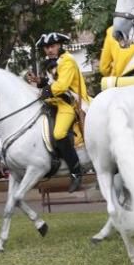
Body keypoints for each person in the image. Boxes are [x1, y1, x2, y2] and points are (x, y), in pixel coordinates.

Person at [36, 32, 90, 193]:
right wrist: (41, 82)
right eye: (46, 47)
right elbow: (52, 83)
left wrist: (45, 90)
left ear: (59, 45)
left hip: (69, 103)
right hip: (54, 102)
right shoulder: (50, 63)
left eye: (52, 46)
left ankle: (75, 172)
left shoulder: (68, 61)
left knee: (59, 134)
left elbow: (62, 85)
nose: (49, 50)